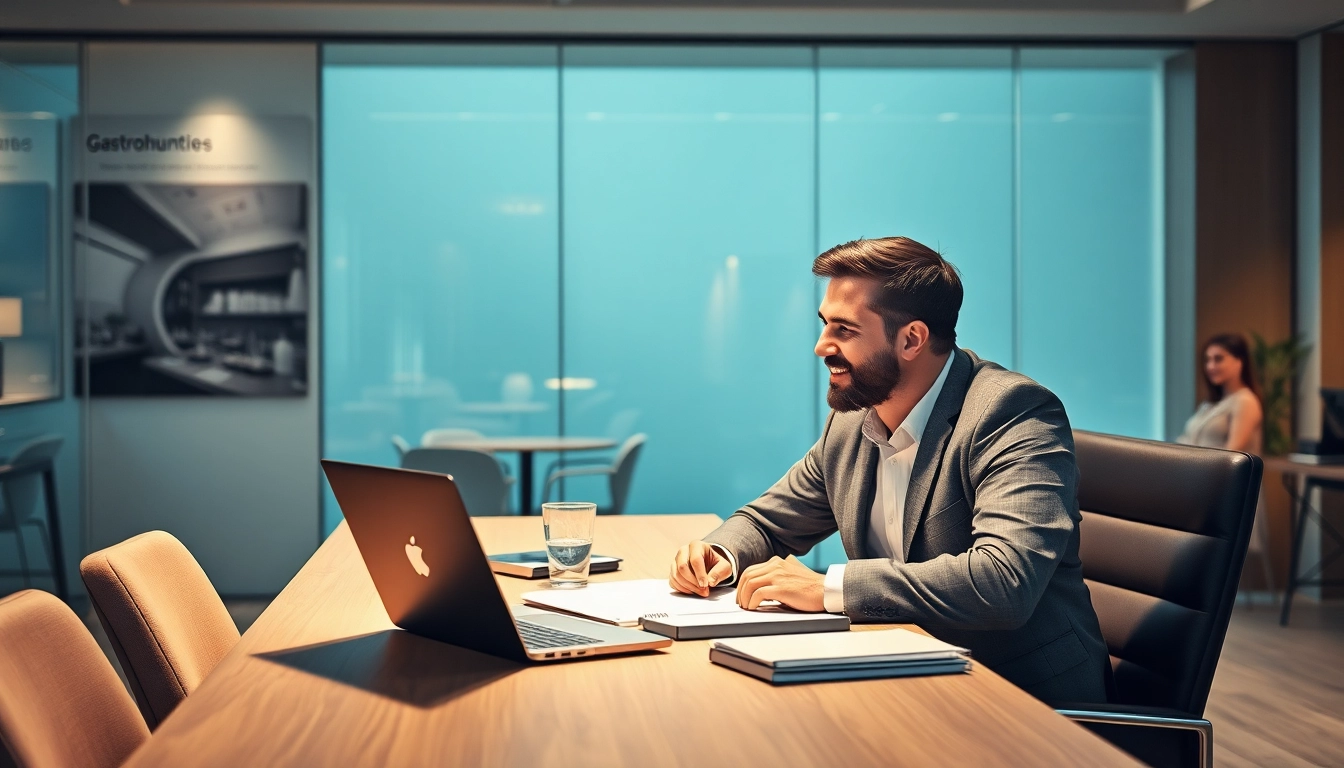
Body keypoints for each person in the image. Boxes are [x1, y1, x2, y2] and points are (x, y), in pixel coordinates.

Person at [668, 236, 1108, 703]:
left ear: (911, 339)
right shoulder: (854, 418)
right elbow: (767, 521)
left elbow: (1004, 581)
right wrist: (720, 554)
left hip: (1020, 701)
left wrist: (828, 588)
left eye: (845, 330)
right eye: (824, 325)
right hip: (904, 680)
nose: (821, 347)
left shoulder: (1011, 413)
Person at [1176, 333, 1272, 592]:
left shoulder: (1245, 401)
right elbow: (1185, 442)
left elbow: (1234, 453)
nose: (1211, 366)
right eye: (1207, 360)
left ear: (1240, 362)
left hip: (1226, 491)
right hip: (1201, 483)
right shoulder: (1210, 405)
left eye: (1219, 359)